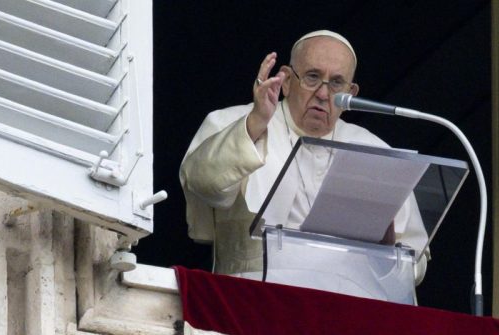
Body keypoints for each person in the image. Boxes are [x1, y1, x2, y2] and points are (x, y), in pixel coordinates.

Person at [180, 30, 429, 290]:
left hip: (347, 311)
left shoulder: (373, 150)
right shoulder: (236, 122)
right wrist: (255, 123)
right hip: (253, 303)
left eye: (336, 83)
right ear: (286, 80)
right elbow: (202, 184)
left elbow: (416, 263)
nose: (323, 93)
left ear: (351, 94)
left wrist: (386, 255)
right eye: (312, 77)